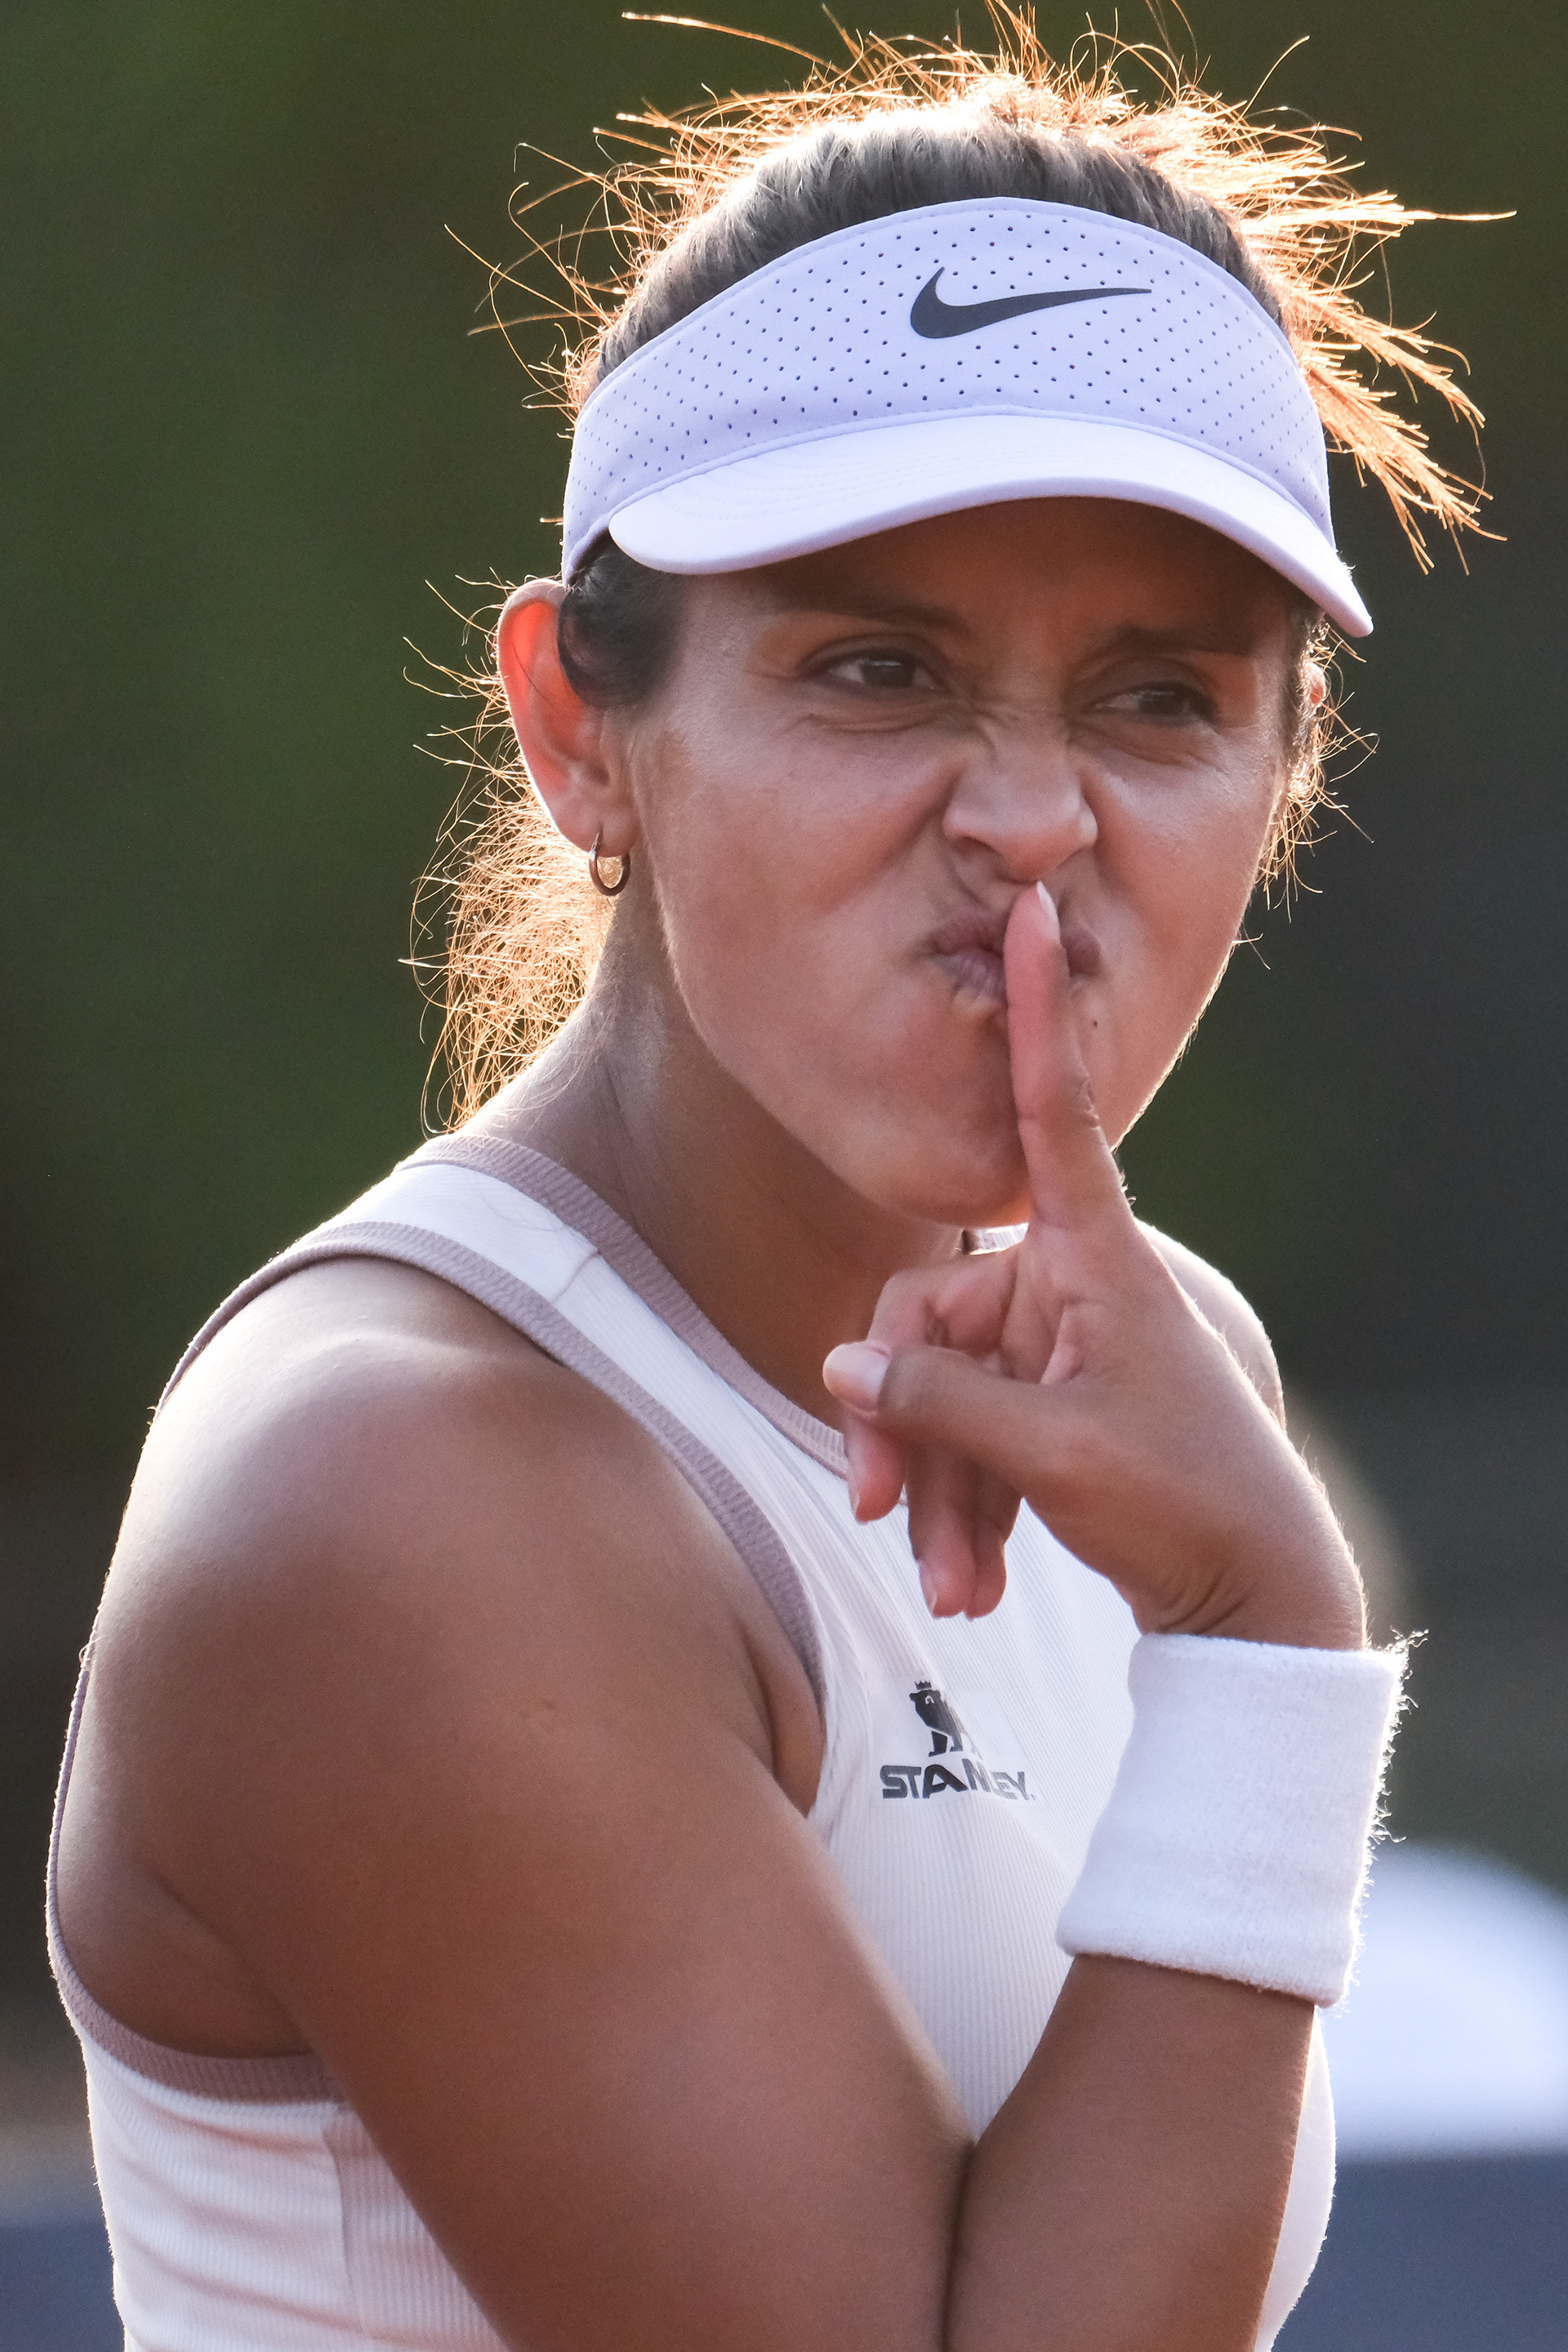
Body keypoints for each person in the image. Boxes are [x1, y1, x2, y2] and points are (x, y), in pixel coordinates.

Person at [49, 19, 1483, 2351]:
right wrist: (1266, 1646)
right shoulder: (390, 1494)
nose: (1032, 822)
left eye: (1157, 699)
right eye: (881, 668)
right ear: (576, 731)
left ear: (1283, 775)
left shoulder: (1162, 1361)